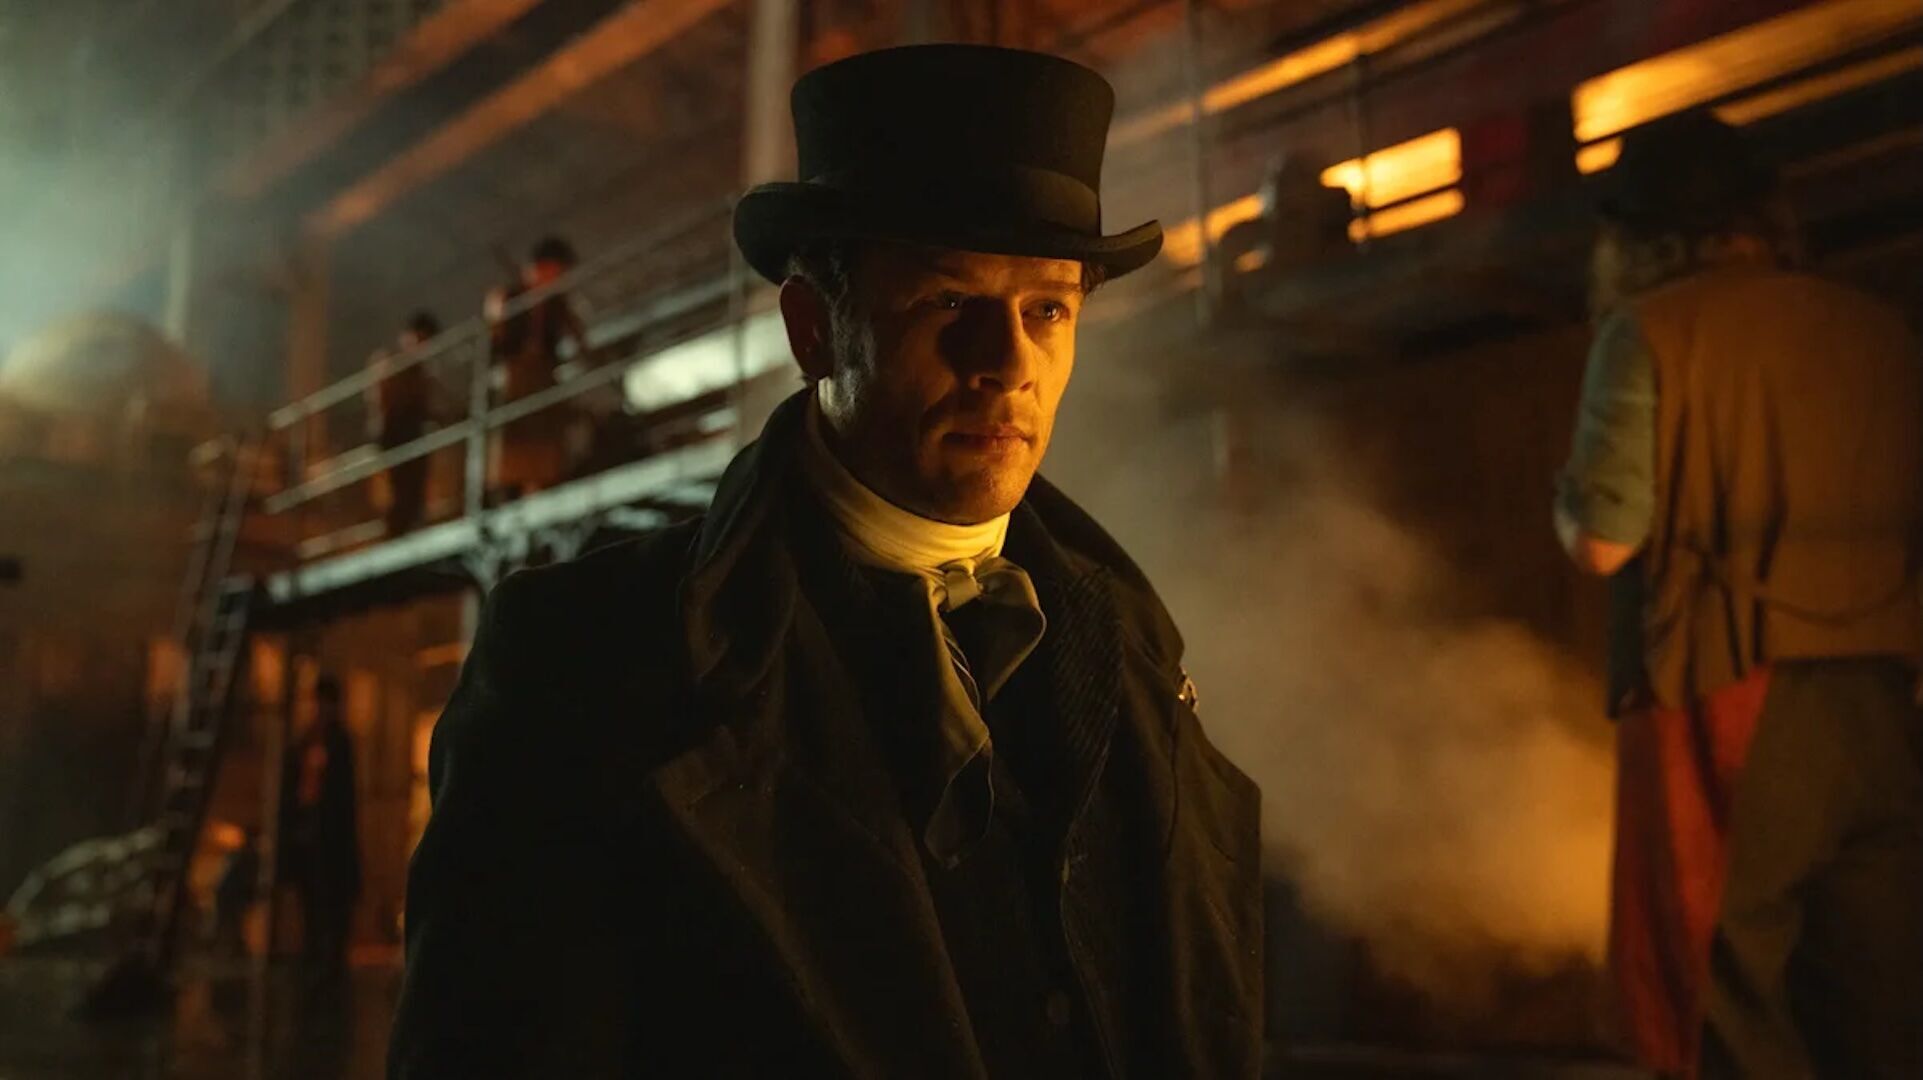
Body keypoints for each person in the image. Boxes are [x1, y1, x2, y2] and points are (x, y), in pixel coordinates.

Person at [392, 45, 1263, 1078]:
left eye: (1047, 310)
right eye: (948, 302)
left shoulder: (1137, 645)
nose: (1008, 364)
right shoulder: (585, 663)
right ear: (814, 329)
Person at [1555, 111, 1923, 1079]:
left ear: (1636, 235)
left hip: (1727, 692)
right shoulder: (1881, 329)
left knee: (1717, 998)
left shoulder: (1648, 331)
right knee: (1877, 1005)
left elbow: (1604, 540)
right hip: (1884, 701)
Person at [484, 236, 590, 500]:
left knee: (546, 429)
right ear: (544, 267)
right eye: (557, 271)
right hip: (516, 374)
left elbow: (577, 335)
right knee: (516, 433)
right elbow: (495, 338)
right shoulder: (510, 296)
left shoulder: (556, 304)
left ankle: (540, 484)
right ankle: (513, 489)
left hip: (544, 373)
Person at [281, 675, 362, 995]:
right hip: (308, 834)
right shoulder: (305, 741)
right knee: (311, 903)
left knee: (332, 903)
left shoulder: (339, 743)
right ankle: (314, 961)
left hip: (330, 837)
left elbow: (344, 797)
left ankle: (330, 968)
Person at [366, 311, 441, 535]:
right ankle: (396, 529)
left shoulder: (422, 372)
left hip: (413, 435)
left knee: (414, 488)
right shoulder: (390, 362)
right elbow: (382, 401)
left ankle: (410, 525)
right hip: (393, 434)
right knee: (396, 491)